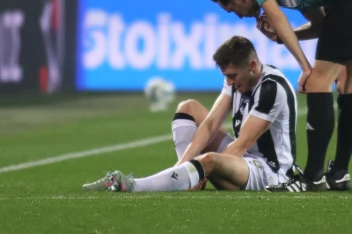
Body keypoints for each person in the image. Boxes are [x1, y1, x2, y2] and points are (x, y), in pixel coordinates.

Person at [209, 0, 352, 192]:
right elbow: (322, 26)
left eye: (232, 10)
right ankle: (339, 173)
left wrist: (306, 68)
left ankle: (312, 177)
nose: (239, 16)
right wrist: (281, 38)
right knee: (348, 83)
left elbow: (277, 17)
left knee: (317, 81)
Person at [82, 36, 298, 193]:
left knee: (210, 161)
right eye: (226, 76)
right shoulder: (236, 80)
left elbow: (242, 144)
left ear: (252, 66)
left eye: (233, 76)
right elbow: (211, 124)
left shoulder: (271, 88)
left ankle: (131, 185)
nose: (230, 82)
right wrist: (184, 167)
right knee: (188, 107)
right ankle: (184, 177)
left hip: (269, 171)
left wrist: (201, 169)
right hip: (244, 160)